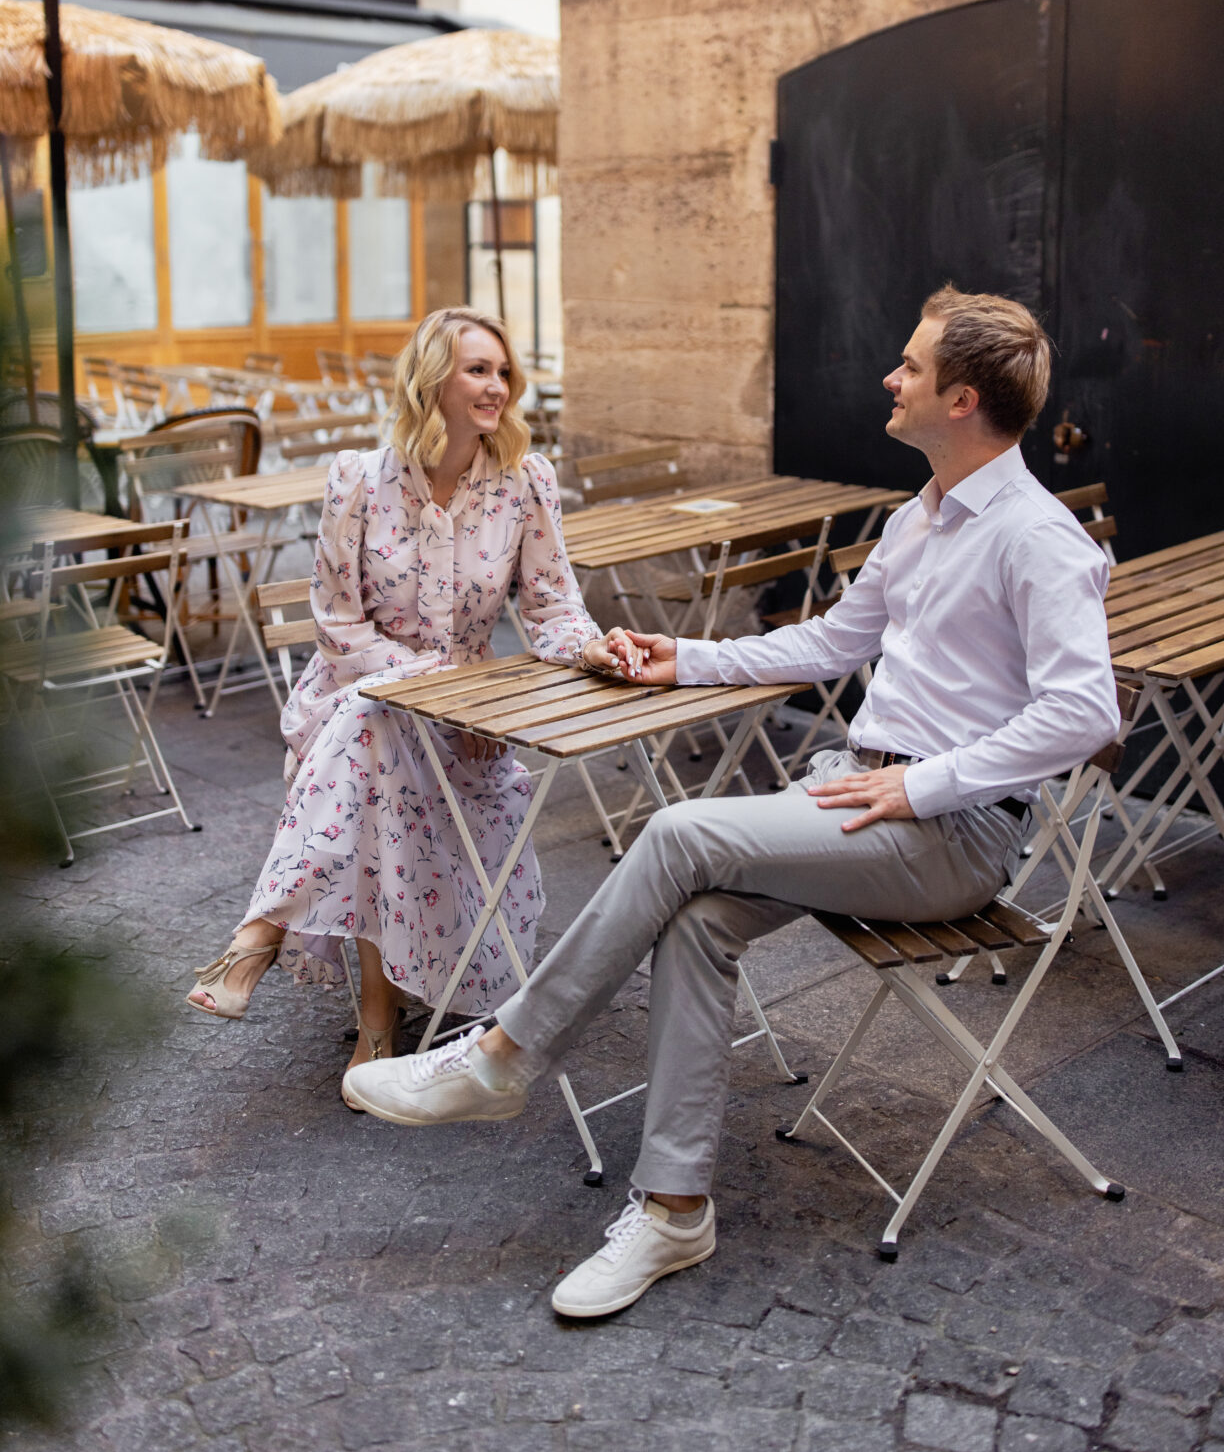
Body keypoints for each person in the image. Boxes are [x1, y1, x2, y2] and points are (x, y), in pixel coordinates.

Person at [342, 286, 1120, 1312]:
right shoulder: (919, 518)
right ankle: (673, 1214)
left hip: (950, 834)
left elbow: (1087, 715)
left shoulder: (1034, 536)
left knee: (676, 834)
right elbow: (830, 644)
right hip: (860, 798)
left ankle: (501, 1056)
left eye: (911, 367)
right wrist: (686, 661)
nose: (891, 377)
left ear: (964, 398)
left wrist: (927, 780)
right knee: (700, 924)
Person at [186, 307, 629, 1097]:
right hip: (359, 696)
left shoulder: (527, 481)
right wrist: (425, 684)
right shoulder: (357, 480)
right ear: (432, 380)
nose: (496, 386)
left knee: (381, 743)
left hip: (462, 721)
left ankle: (266, 936)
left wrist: (589, 646)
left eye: (502, 371)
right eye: (477, 370)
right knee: (378, 725)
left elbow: (553, 605)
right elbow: (336, 625)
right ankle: (374, 1023)